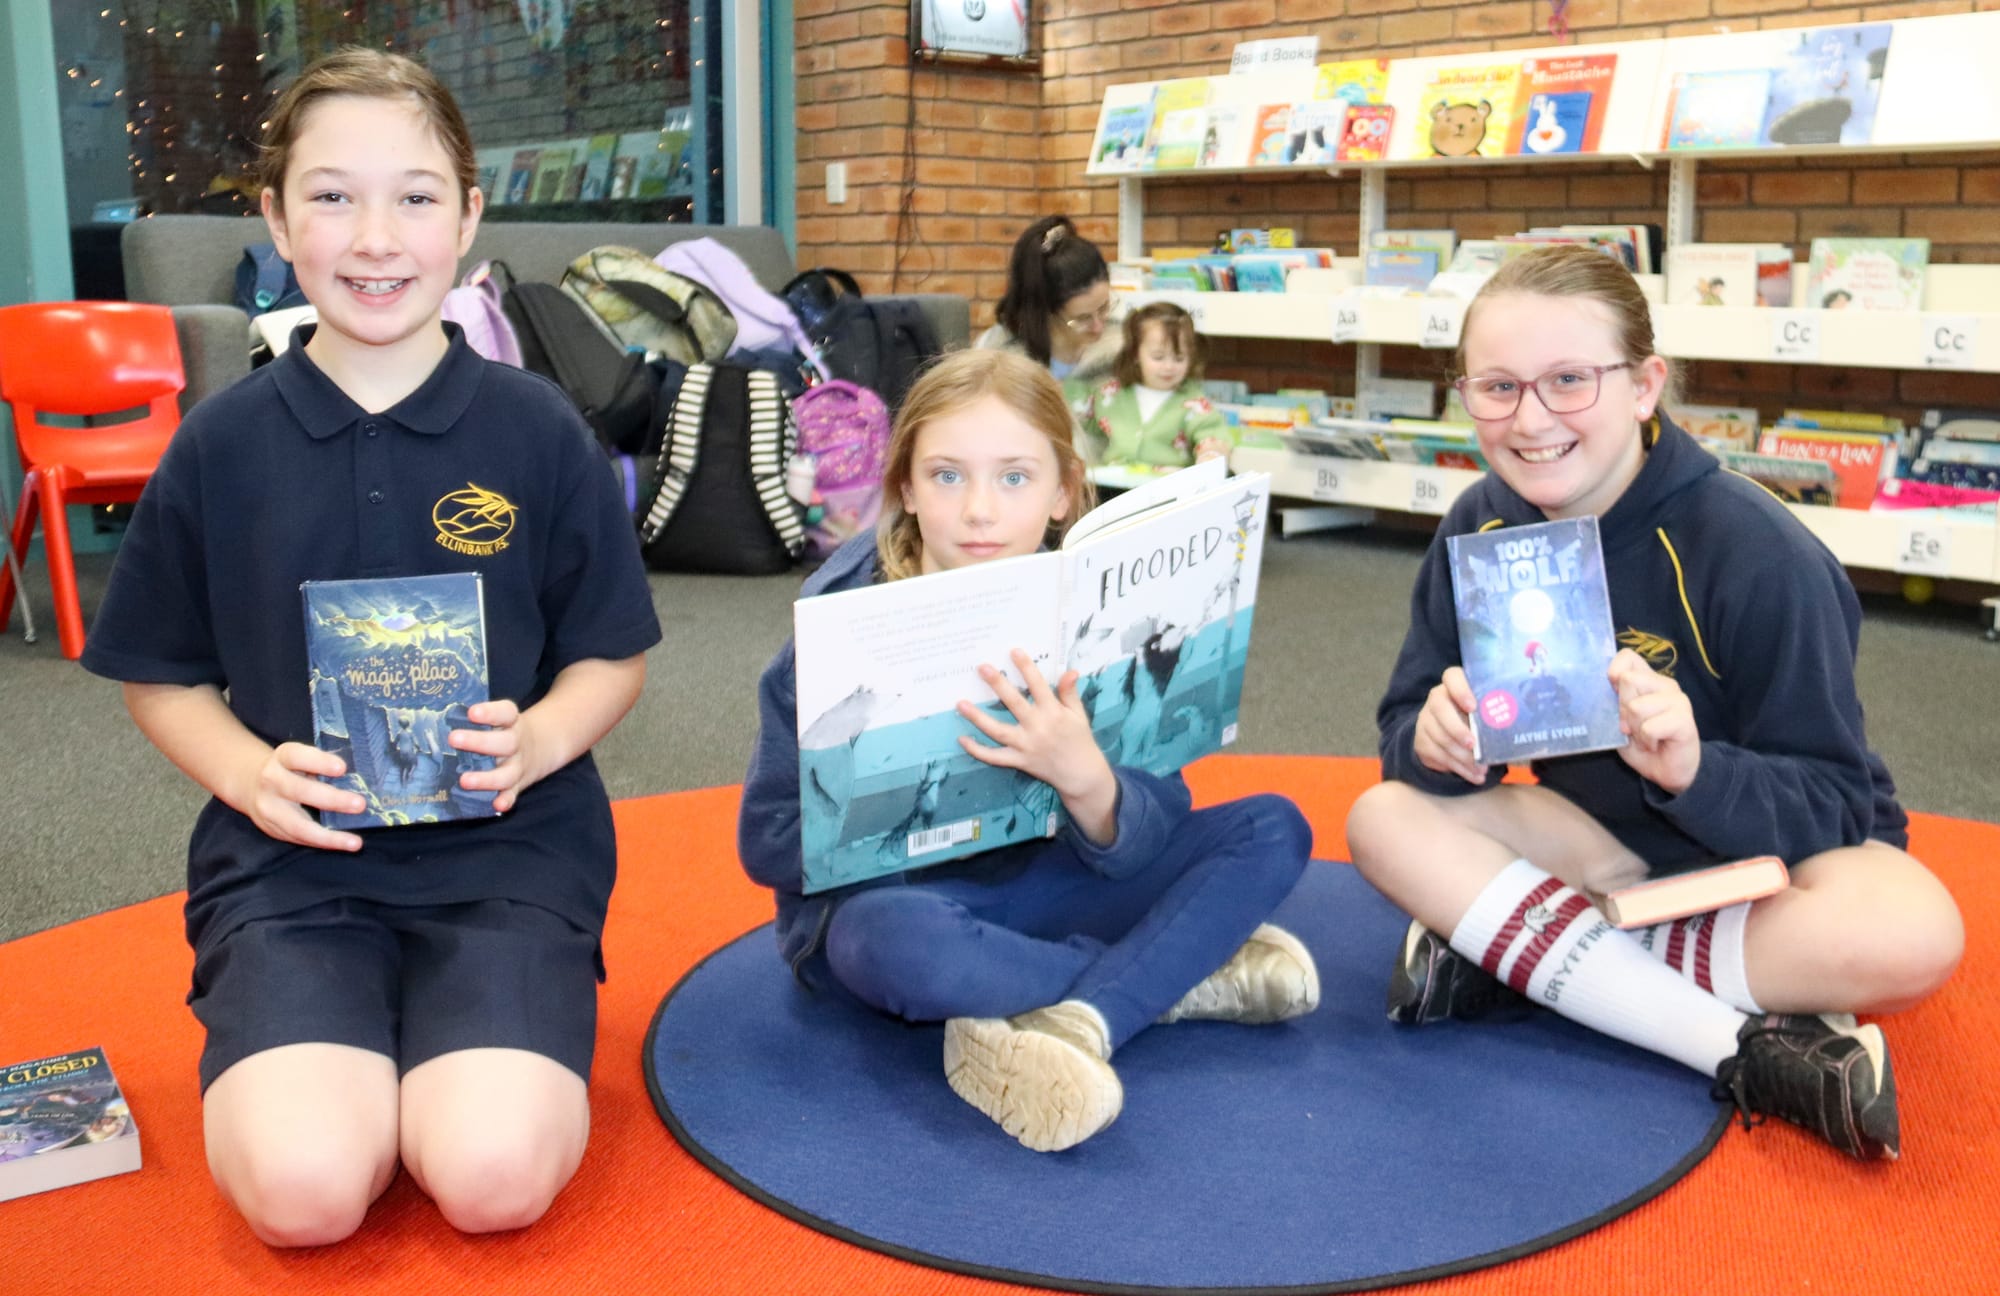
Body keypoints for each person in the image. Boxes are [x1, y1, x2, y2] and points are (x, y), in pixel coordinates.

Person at [79, 48, 661, 1244]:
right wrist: (244, 772)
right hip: (294, 864)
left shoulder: (540, 430)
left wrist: (544, 736)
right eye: (333, 195)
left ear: (469, 220)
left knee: (490, 1178)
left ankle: (457, 1035)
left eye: (415, 196)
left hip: (511, 855)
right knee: (304, 1198)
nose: (374, 237)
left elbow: (613, 653)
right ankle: (334, 1036)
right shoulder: (221, 443)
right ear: (277, 219)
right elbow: (161, 672)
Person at [1344, 244, 1962, 1162]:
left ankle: (1529, 960)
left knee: (1915, 932)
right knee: (1380, 817)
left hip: (1773, 874)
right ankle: (1742, 1047)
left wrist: (1695, 770)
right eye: (1497, 387)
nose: (1532, 419)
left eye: (1569, 381)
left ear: (1644, 387)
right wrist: (1433, 741)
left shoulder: (1757, 550)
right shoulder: (1479, 522)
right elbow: (1401, 733)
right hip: (1605, 861)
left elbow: (1834, 801)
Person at [739, 349, 1318, 1153]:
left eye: (1014, 477)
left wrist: (1088, 784)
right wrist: (885, 797)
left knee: (1275, 828)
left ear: (1063, 493)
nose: (980, 509)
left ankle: (1077, 1008)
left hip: (1057, 887)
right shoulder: (836, 636)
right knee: (891, 946)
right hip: (924, 914)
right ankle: (1167, 978)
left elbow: (1154, 825)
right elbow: (766, 842)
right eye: (946, 476)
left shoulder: (1101, 613)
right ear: (905, 486)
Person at [977, 215, 1122, 453]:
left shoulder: (1128, 347)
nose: (1099, 326)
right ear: (1047, 312)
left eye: (1105, 307)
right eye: (1083, 318)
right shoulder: (998, 356)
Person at [1082, 301, 1232, 471]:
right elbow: (1079, 417)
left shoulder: (1194, 403)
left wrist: (1210, 456)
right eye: (1158, 357)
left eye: (1179, 358)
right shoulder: (1109, 394)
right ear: (1135, 354)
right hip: (1112, 487)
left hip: (1168, 489)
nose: (1169, 367)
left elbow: (1212, 435)